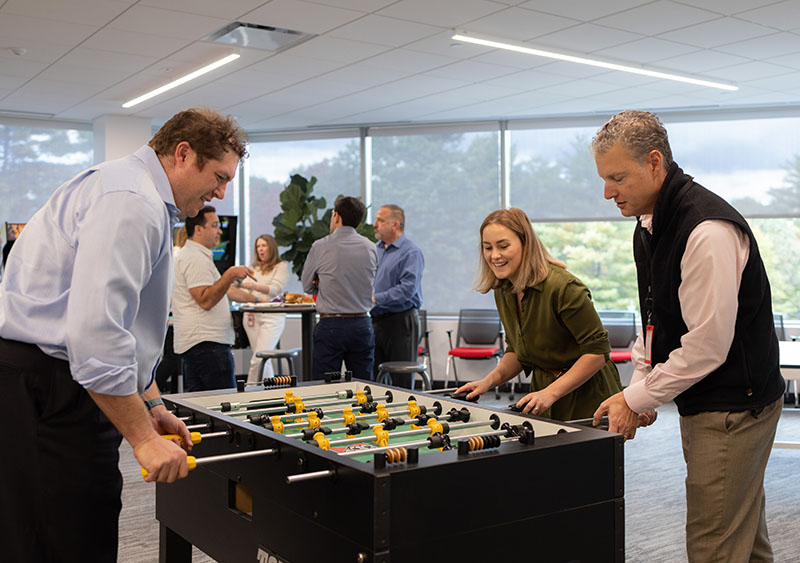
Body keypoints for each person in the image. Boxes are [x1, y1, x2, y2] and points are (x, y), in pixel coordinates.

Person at [0, 107, 247, 562]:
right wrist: (143, 439)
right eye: (218, 175)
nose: (222, 192)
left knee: (83, 520)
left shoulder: (131, 191)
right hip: (48, 388)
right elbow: (95, 335)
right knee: (59, 536)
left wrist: (151, 404)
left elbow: (127, 327)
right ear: (182, 154)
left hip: (60, 382)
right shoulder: (132, 200)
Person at [591, 110, 785, 563]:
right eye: (603, 178)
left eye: (617, 177)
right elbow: (657, 321)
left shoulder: (706, 229)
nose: (607, 192)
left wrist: (638, 399)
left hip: (734, 405)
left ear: (654, 163)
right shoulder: (650, 221)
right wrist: (639, 390)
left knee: (713, 544)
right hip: (709, 401)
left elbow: (707, 345)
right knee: (742, 537)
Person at [455, 208, 622, 420]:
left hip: (588, 396)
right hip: (544, 393)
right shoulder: (504, 290)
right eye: (487, 247)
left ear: (526, 244)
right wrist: (488, 381)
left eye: (503, 246)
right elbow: (517, 350)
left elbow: (597, 354)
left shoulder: (564, 288)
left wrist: (550, 393)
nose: (494, 255)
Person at [172, 205, 256, 391]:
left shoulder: (197, 256)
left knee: (203, 410)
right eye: (215, 225)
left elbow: (226, 291)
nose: (219, 231)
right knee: (224, 408)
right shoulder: (195, 258)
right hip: (206, 345)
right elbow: (206, 300)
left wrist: (258, 299)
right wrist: (230, 273)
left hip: (201, 345)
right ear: (198, 229)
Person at [302, 196, 377, 380]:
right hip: (362, 325)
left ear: (336, 216)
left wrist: (323, 285)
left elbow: (306, 286)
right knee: (364, 387)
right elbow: (372, 281)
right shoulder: (371, 247)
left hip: (331, 326)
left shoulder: (320, 246)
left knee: (325, 388)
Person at [370, 204, 425, 388]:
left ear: (395, 224)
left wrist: (376, 299)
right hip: (375, 320)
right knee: (374, 377)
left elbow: (407, 289)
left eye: (380, 220)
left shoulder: (411, 252)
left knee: (400, 380)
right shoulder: (375, 250)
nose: (374, 224)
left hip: (400, 322)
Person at [240, 234, 290, 384]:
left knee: (258, 359)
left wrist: (254, 286)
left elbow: (275, 289)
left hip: (272, 316)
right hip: (252, 316)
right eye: (258, 246)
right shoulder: (252, 268)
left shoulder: (281, 266)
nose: (260, 249)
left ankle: (249, 393)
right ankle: (269, 394)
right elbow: (242, 289)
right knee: (263, 360)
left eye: (264, 246)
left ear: (271, 247)